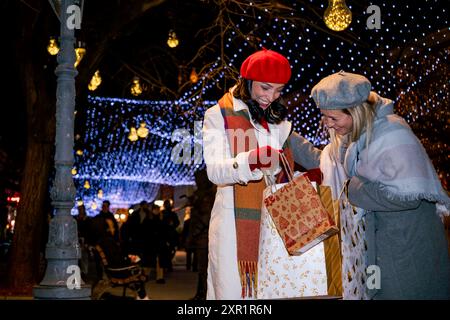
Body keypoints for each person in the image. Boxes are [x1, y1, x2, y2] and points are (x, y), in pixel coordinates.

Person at [311, 70, 450, 299]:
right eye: (324, 117)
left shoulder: (391, 133)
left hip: (406, 246)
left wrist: (353, 190)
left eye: (333, 118)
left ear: (355, 112)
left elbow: (407, 195)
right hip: (379, 245)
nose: (328, 124)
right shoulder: (360, 137)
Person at [202, 48, 323, 300]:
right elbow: (214, 171)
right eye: (265, 88)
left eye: (278, 91)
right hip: (235, 224)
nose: (271, 97)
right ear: (247, 83)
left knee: (272, 292)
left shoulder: (278, 120)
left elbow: (308, 158)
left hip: (278, 221)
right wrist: (251, 162)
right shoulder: (218, 115)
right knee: (236, 295)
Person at [97, 218, 150, 300]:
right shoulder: (108, 242)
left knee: (137, 263)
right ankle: (143, 296)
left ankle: (141, 295)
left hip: (115, 269)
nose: (114, 228)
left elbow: (115, 258)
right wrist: (129, 260)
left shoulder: (103, 241)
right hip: (118, 272)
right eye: (112, 227)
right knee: (138, 268)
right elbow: (116, 260)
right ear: (107, 229)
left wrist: (128, 258)